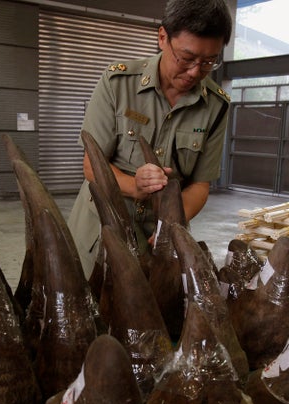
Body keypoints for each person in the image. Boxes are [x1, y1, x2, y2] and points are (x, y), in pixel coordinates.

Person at [67, 0, 233, 277]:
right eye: (186, 58)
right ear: (162, 37)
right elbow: (91, 165)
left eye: (208, 62)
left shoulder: (216, 106)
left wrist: (172, 226)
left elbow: (200, 185)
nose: (195, 72)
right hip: (101, 231)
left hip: (160, 240)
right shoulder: (117, 84)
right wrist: (135, 186)